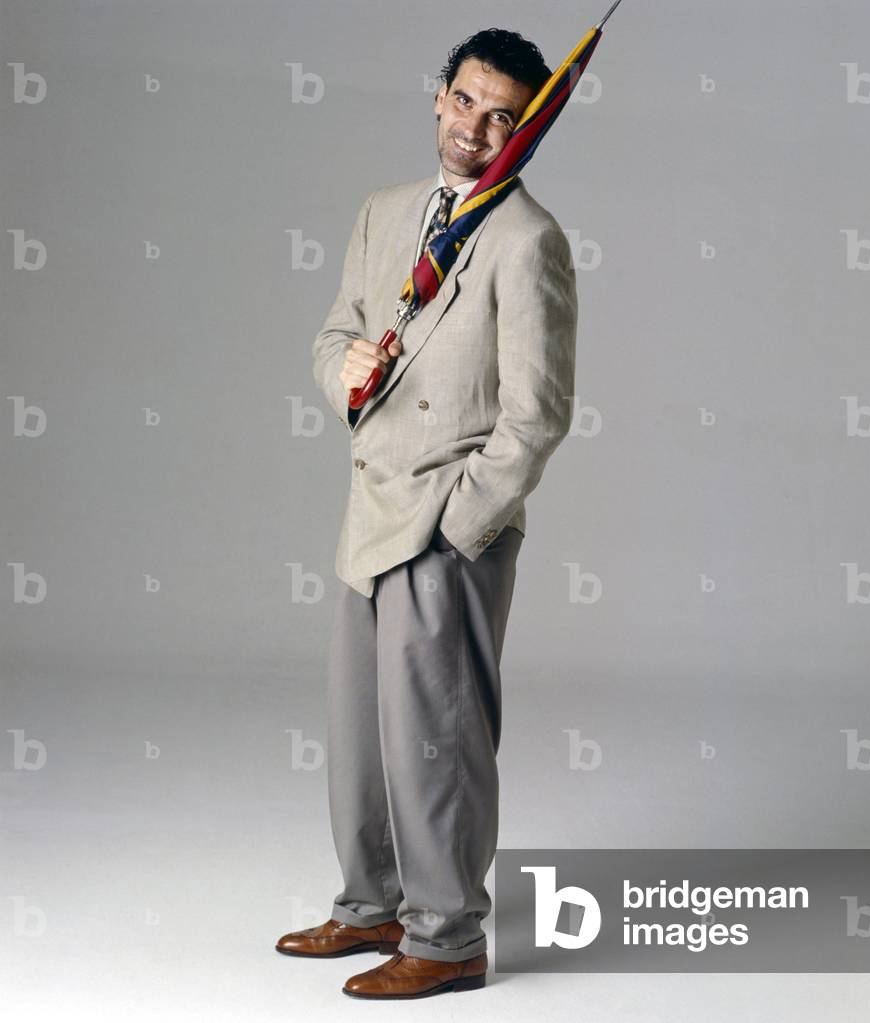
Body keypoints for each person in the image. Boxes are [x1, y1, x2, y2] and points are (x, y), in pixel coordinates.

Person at [276, 27, 578, 999]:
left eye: (503, 117)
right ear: (438, 97)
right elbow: (335, 333)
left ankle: (449, 939)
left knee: (438, 738)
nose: (477, 129)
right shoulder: (385, 212)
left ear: (524, 130)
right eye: (466, 102)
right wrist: (344, 373)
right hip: (370, 507)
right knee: (362, 732)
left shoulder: (528, 240)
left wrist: (460, 525)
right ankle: (373, 910)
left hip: (447, 524)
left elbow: (537, 414)